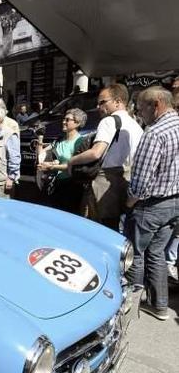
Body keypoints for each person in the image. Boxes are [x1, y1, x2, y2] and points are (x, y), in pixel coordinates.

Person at [125, 87, 179, 321]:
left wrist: (130, 201)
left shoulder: (155, 132)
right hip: (174, 202)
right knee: (156, 253)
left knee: (136, 252)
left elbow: (141, 178)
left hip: (152, 204)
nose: (139, 113)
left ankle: (132, 302)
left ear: (155, 105)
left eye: (141, 108)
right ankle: (159, 305)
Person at [68, 83, 143, 230]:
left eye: (102, 102)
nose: (98, 107)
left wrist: (72, 161)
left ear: (118, 101)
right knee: (114, 228)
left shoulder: (109, 121)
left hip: (104, 182)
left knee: (96, 228)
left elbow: (96, 152)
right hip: (126, 180)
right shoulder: (135, 125)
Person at [37, 109, 87, 213]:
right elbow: (41, 156)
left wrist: (52, 167)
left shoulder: (80, 142)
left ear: (77, 123)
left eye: (67, 119)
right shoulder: (59, 140)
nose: (63, 122)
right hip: (55, 184)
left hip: (70, 186)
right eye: (64, 119)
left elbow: (72, 166)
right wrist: (40, 138)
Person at [0, 105, 21, 198]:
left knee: (4, 210)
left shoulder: (10, 134)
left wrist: (11, 178)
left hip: (3, 182)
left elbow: (15, 158)